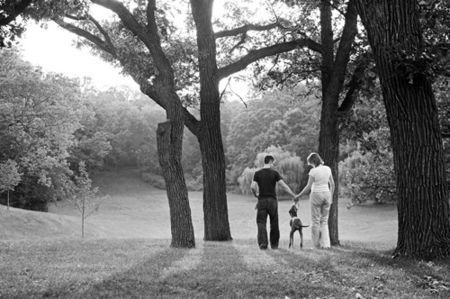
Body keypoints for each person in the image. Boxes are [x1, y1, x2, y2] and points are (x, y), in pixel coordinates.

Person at [251, 155, 296, 250]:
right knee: (274, 222)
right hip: (272, 201)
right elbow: (284, 186)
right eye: (273, 163)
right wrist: (293, 195)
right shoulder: (274, 173)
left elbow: (253, 186)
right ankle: (274, 244)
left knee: (261, 222)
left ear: (264, 162)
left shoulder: (257, 173)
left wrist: (256, 195)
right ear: (271, 162)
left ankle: (263, 244)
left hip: (262, 201)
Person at [295, 152, 335, 249]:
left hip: (316, 195)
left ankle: (316, 245)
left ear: (313, 161)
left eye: (310, 163)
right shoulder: (328, 169)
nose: (310, 165)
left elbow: (308, 187)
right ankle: (326, 244)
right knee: (324, 221)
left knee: (315, 221)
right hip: (327, 194)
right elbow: (332, 185)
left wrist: (298, 195)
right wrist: (331, 197)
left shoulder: (313, 171)